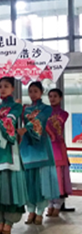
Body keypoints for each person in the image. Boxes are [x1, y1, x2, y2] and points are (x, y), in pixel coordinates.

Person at [0, 77, 27, 234]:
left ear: (13, 88)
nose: (2, 89)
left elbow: (11, 121)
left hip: (10, 150)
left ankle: (9, 221)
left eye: (6, 86)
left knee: (9, 185)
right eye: (0, 86)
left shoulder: (16, 106)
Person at [18, 81, 59, 225]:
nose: (33, 94)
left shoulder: (46, 109)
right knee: (28, 181)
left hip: (41, 146)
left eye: (35, 91)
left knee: (42, 181)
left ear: (41, 92)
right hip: (28, 146)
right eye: (30, 91)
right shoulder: (24, 108)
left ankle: (40, 212)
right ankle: (30, 211)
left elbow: (39, 120)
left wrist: (26, 128)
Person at [46, 88, 72, 217]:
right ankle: (50, 204)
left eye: (55, 96)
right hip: (47, 148)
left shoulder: (63, 114)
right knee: (49, 176)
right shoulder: (45, 112)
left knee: (59, 177)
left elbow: (55, 127)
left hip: (58, 148)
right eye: (50, 96)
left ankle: (57, 204)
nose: (52, 98)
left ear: (60, 98)